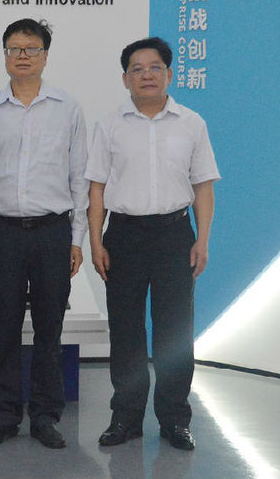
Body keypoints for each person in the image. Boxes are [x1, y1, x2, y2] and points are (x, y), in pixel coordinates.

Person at [86, 37, 219, 451]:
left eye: (155, 67)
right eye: (137, 69)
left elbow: (203, 187)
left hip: (174, 235)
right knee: (126, 331)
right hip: (123, 236)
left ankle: (175, 420)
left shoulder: (191, 123)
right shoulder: (109, 125)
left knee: (174, 331)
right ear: (125, 78)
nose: (147, 75)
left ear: (169, 74)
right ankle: (125, 418)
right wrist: (96, 242)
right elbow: (96, 189)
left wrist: (202, 240)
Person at [0, 18, 88, 449]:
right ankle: (4, 416)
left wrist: (76, 238)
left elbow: (79, 178)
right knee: (4, 329)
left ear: (45, 56)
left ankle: (45, 417)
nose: (22, 56)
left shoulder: (68, 108)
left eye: (31, 49)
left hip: (53, 232)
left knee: (50, 329)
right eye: (14, 49)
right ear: (5, 56)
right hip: (2, 234)